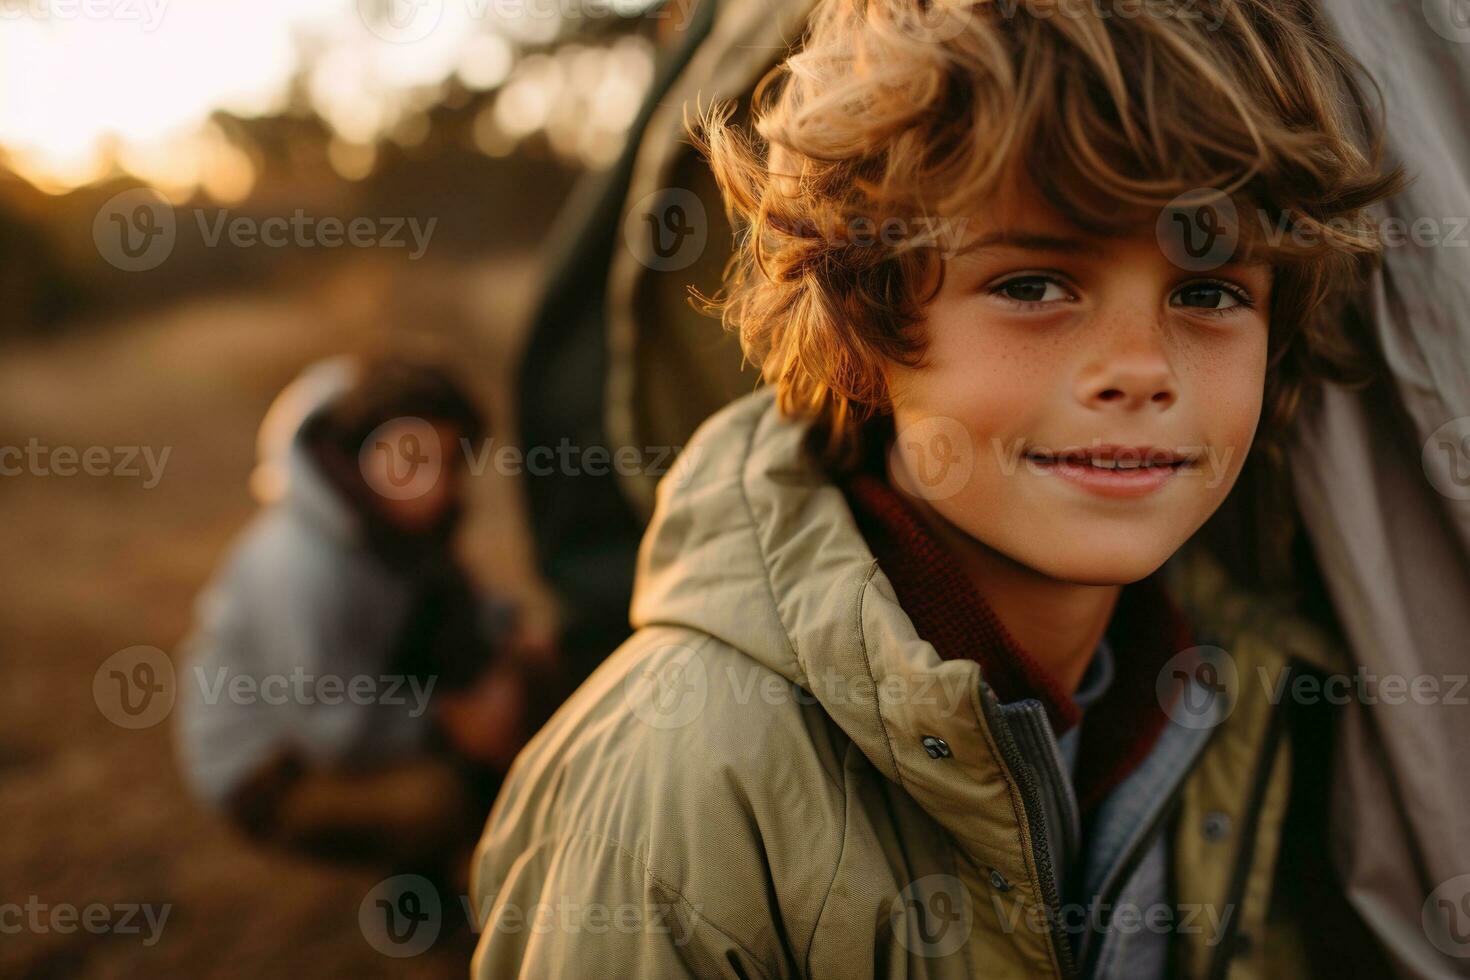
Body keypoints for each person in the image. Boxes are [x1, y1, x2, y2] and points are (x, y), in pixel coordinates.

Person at [174, 353, 529, 879]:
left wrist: (507, 646)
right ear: (359, 452)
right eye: (412, 460)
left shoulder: (399, 524)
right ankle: (424, 913)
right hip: (268, 768)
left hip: (357, 713)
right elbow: (329, 729)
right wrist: (450, 718)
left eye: (452, 463)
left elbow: (454, 611)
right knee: (436, 801)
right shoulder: (295, 563)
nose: (438, 486)